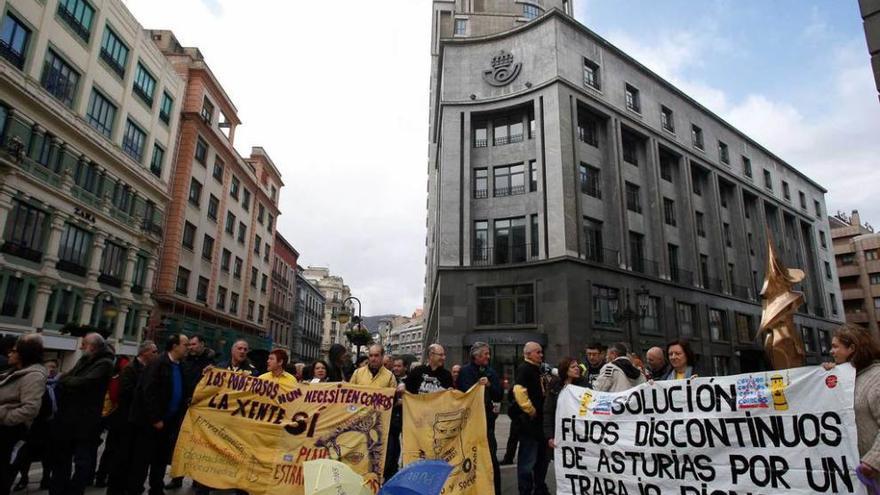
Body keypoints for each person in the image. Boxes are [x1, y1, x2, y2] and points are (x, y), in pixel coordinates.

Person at [48, 333, 114, 495]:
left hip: (86, 420)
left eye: (84, 343)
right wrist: (65, 380)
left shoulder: (104, 363)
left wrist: (65, 381)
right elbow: (67, 376)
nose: (81, 346)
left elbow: (82, 382)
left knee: (82, 459)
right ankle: (58, 488)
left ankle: (75, 489)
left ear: (93, 346)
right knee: (62, 457)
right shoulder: (85, 359)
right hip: (69, 417)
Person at [127, 333, 189, 495]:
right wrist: (155, 418)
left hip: (168, 423)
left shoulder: (181, 365)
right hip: (150, 423)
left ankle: (156, 488)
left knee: (160, 460)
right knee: (142, 460)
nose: (187, 348)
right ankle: (135, 488)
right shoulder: (158, 363)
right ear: (174, 346)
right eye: (185, 345)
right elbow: (148, 393)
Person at [823, 324, 880, 480]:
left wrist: (873, 461)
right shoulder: (847, 378)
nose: (831, 351)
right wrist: (824, 379)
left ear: (851, 348)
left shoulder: (876, 378)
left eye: (835, 347)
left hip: (872, 473)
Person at [107, 341, 158, 495]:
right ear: (144, 352)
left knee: (137, 460)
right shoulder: (130, 369)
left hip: (139, 422)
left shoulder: (149, 369)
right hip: (127, 421)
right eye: (154, 351)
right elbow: (126, 393)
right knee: (122, 458)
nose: (156, 354)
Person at [0, 334, 47, 495]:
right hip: (6, 431)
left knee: (4, 473)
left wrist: (4, 416)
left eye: (14, 351)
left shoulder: (33, 376)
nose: (9, 354)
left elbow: (30, 409)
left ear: (23, 354)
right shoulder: (16, 371)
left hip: (10, 433)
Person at [457, 342, 503, 495]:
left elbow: (499, 395)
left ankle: (494, 490)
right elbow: (463, 395)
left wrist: (489, 385)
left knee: (490, 458)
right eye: (485, 354)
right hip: (470, 423)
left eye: (488, 354)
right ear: (476, 356)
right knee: (470, 458)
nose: (488, 357)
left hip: (487, 423)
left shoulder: (491, 372)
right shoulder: (465, 372)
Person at [11, 358, 58, 491]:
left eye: (54, 367)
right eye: (49, 366)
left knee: (47, 456)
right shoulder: (37, 383)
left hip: (50, 427)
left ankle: (46, 479)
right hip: (34, 426)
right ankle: (24, 478)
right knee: (25, 456)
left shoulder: (58, 384)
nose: (52, 369)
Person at [511, 342, 548, 495]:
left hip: (539, 424)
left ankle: (539, 488)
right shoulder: (524, 369)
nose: (541, 355)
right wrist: (530, 410)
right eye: (537, 352)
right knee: (528, 460)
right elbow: (518, 390)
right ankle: (525, 490)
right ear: (528, 354)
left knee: (541, 459)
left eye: (541, 352)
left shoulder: (537, 369)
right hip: (529, 424)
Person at [544, 357, 586, 449]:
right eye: (573, 367)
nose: (577, 368)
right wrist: (550, 436)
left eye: (577, 366)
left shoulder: (585, 386)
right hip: (561, 432)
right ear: (565, 370)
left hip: (579, 432)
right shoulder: (555, 387)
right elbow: (548, 412)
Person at [384, 357, 408, 479]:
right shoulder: (390, 378)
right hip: (391, 420)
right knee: (392, 446)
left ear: (405, 367)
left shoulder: (409, 380)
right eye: (395, 366)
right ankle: (391, 471)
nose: (396, 368)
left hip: (406, 419)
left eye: (399, 366)